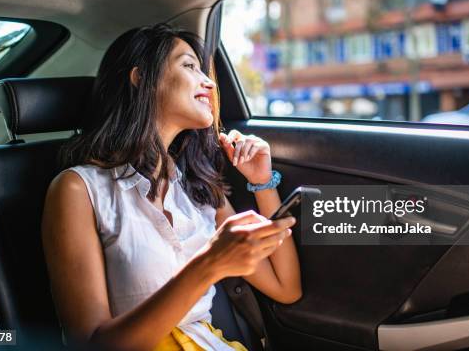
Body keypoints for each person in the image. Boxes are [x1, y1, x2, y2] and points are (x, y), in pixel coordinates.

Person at [41, 23, 302, 351]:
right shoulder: (79, 189)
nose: (208, 82)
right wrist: (209, 264)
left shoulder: (198, 187)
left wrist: (261, 181)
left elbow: (285, 288)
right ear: (141, 79)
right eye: (190, 66)